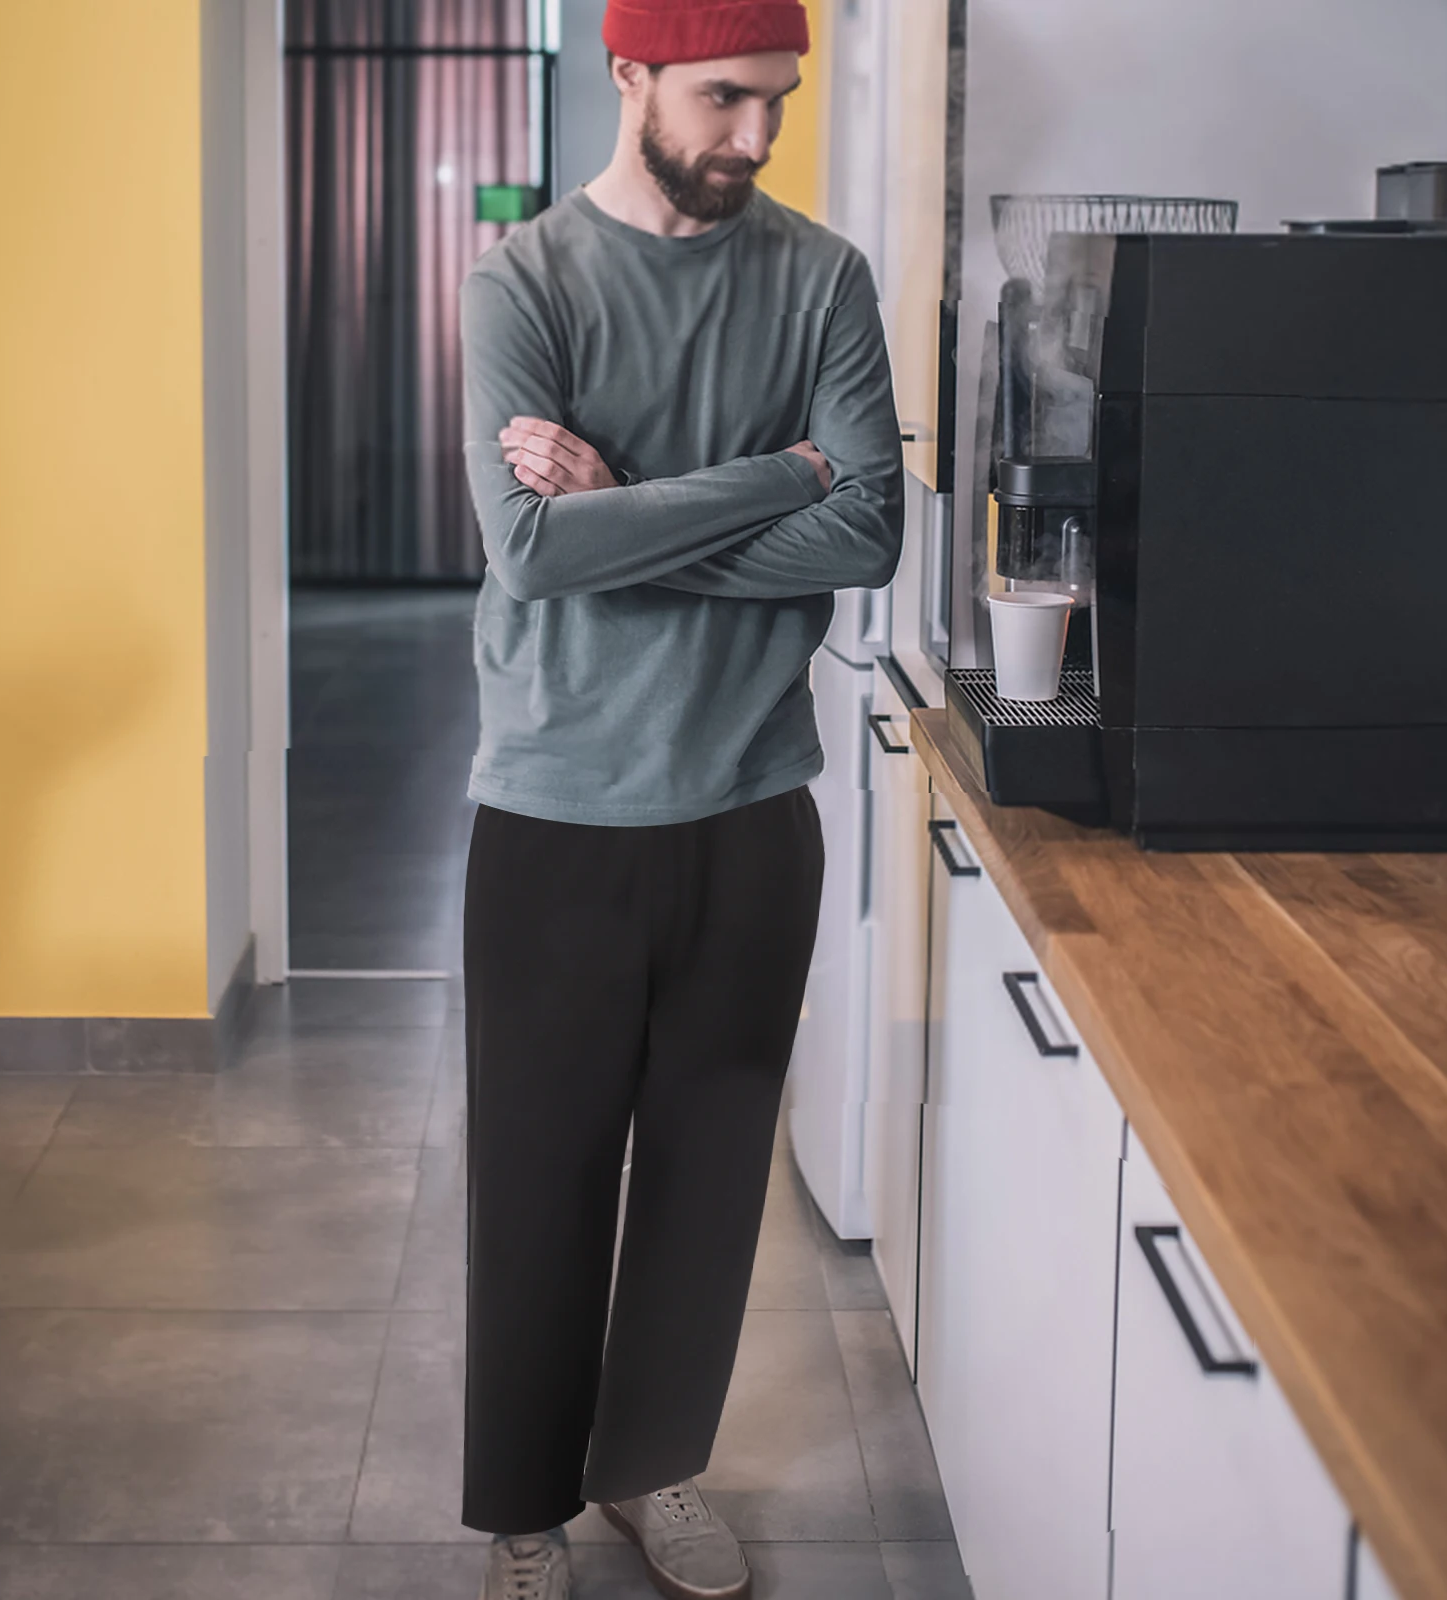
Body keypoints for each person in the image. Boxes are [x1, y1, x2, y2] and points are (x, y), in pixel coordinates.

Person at [457, 0, 902, 1593]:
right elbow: (535, 552)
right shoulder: (525, 280)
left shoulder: (824, 278)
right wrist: (785, 470)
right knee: (540, 1171)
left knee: (714, 1170)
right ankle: (522, 1500)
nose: (758, 136)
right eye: (725, 98)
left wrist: (631, 497)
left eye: (777, 101)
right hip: (558, 809)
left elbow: (868, 541)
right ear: (629, 75)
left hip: (749, 803)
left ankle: (651, 1469)